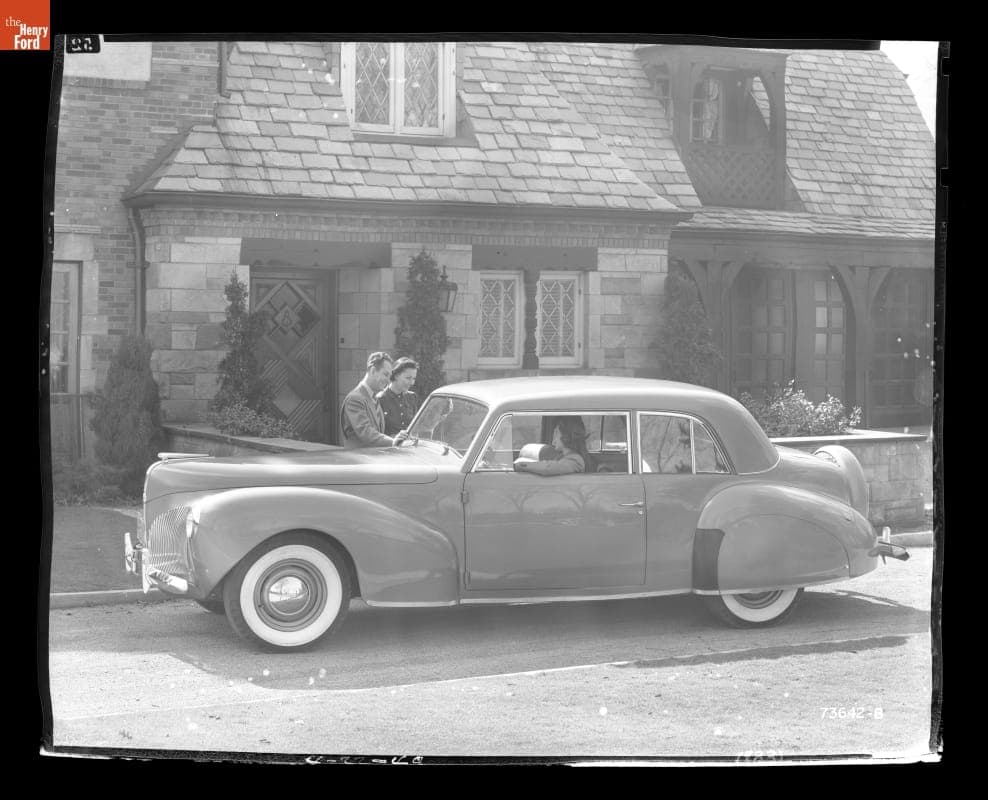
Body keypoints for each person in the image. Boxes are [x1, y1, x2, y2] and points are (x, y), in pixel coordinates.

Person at [340, 352, 408, 449]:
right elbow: (366, 432)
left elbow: (378, 433)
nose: (389, 381)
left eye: (390, 376)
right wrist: (393, 442)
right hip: (359, 461)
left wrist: (398, 437)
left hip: (372, 459)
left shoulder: (373, 397)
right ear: (372, 371)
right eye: (385, 374)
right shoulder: (355, 399)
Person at [515, 416, 591, 476]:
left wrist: (520, 465)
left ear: (566, 436)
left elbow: (547, 468)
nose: (553, 439)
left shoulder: (576, 460)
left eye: (556, 433)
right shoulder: (563, 456)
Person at [376, 357, 420, 437]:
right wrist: (393, 438)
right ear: (396, 375)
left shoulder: (412, 397)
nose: (412, 383)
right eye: (408, 378)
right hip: (387, 448)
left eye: (413, 379)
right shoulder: (379, 400)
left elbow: (415, 429)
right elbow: (374, 435)